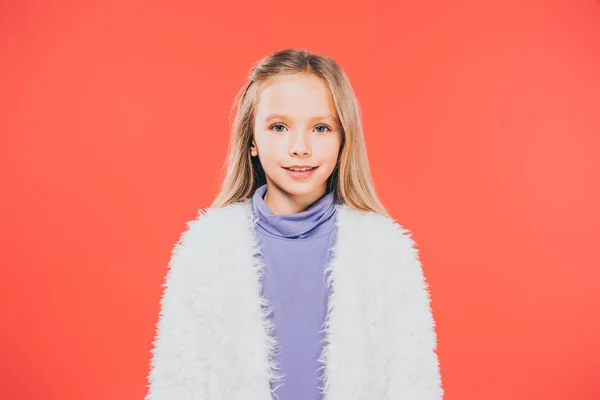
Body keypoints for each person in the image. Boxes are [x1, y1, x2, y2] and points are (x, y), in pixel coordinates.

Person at [144, 48, 443, 400]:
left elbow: (413, 381)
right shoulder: (207, 248)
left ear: (343, 139)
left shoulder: (384, 250)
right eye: (279, 127)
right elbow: (177, 381)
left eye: (320, 128)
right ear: (251, 140)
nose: (300, 147)